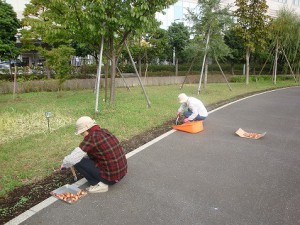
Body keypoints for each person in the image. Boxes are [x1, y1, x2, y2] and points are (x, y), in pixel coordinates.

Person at [61, 116, 127, 193]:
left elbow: (71, 160)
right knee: (83, 158)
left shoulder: (91, 138)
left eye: (82, 133)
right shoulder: (104, 131)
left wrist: (64, 165)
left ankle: (98, 184)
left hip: (111, 179)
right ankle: (102, 179)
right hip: (121, 173)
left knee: (77, 161)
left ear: (85, 130)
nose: (82, 135)